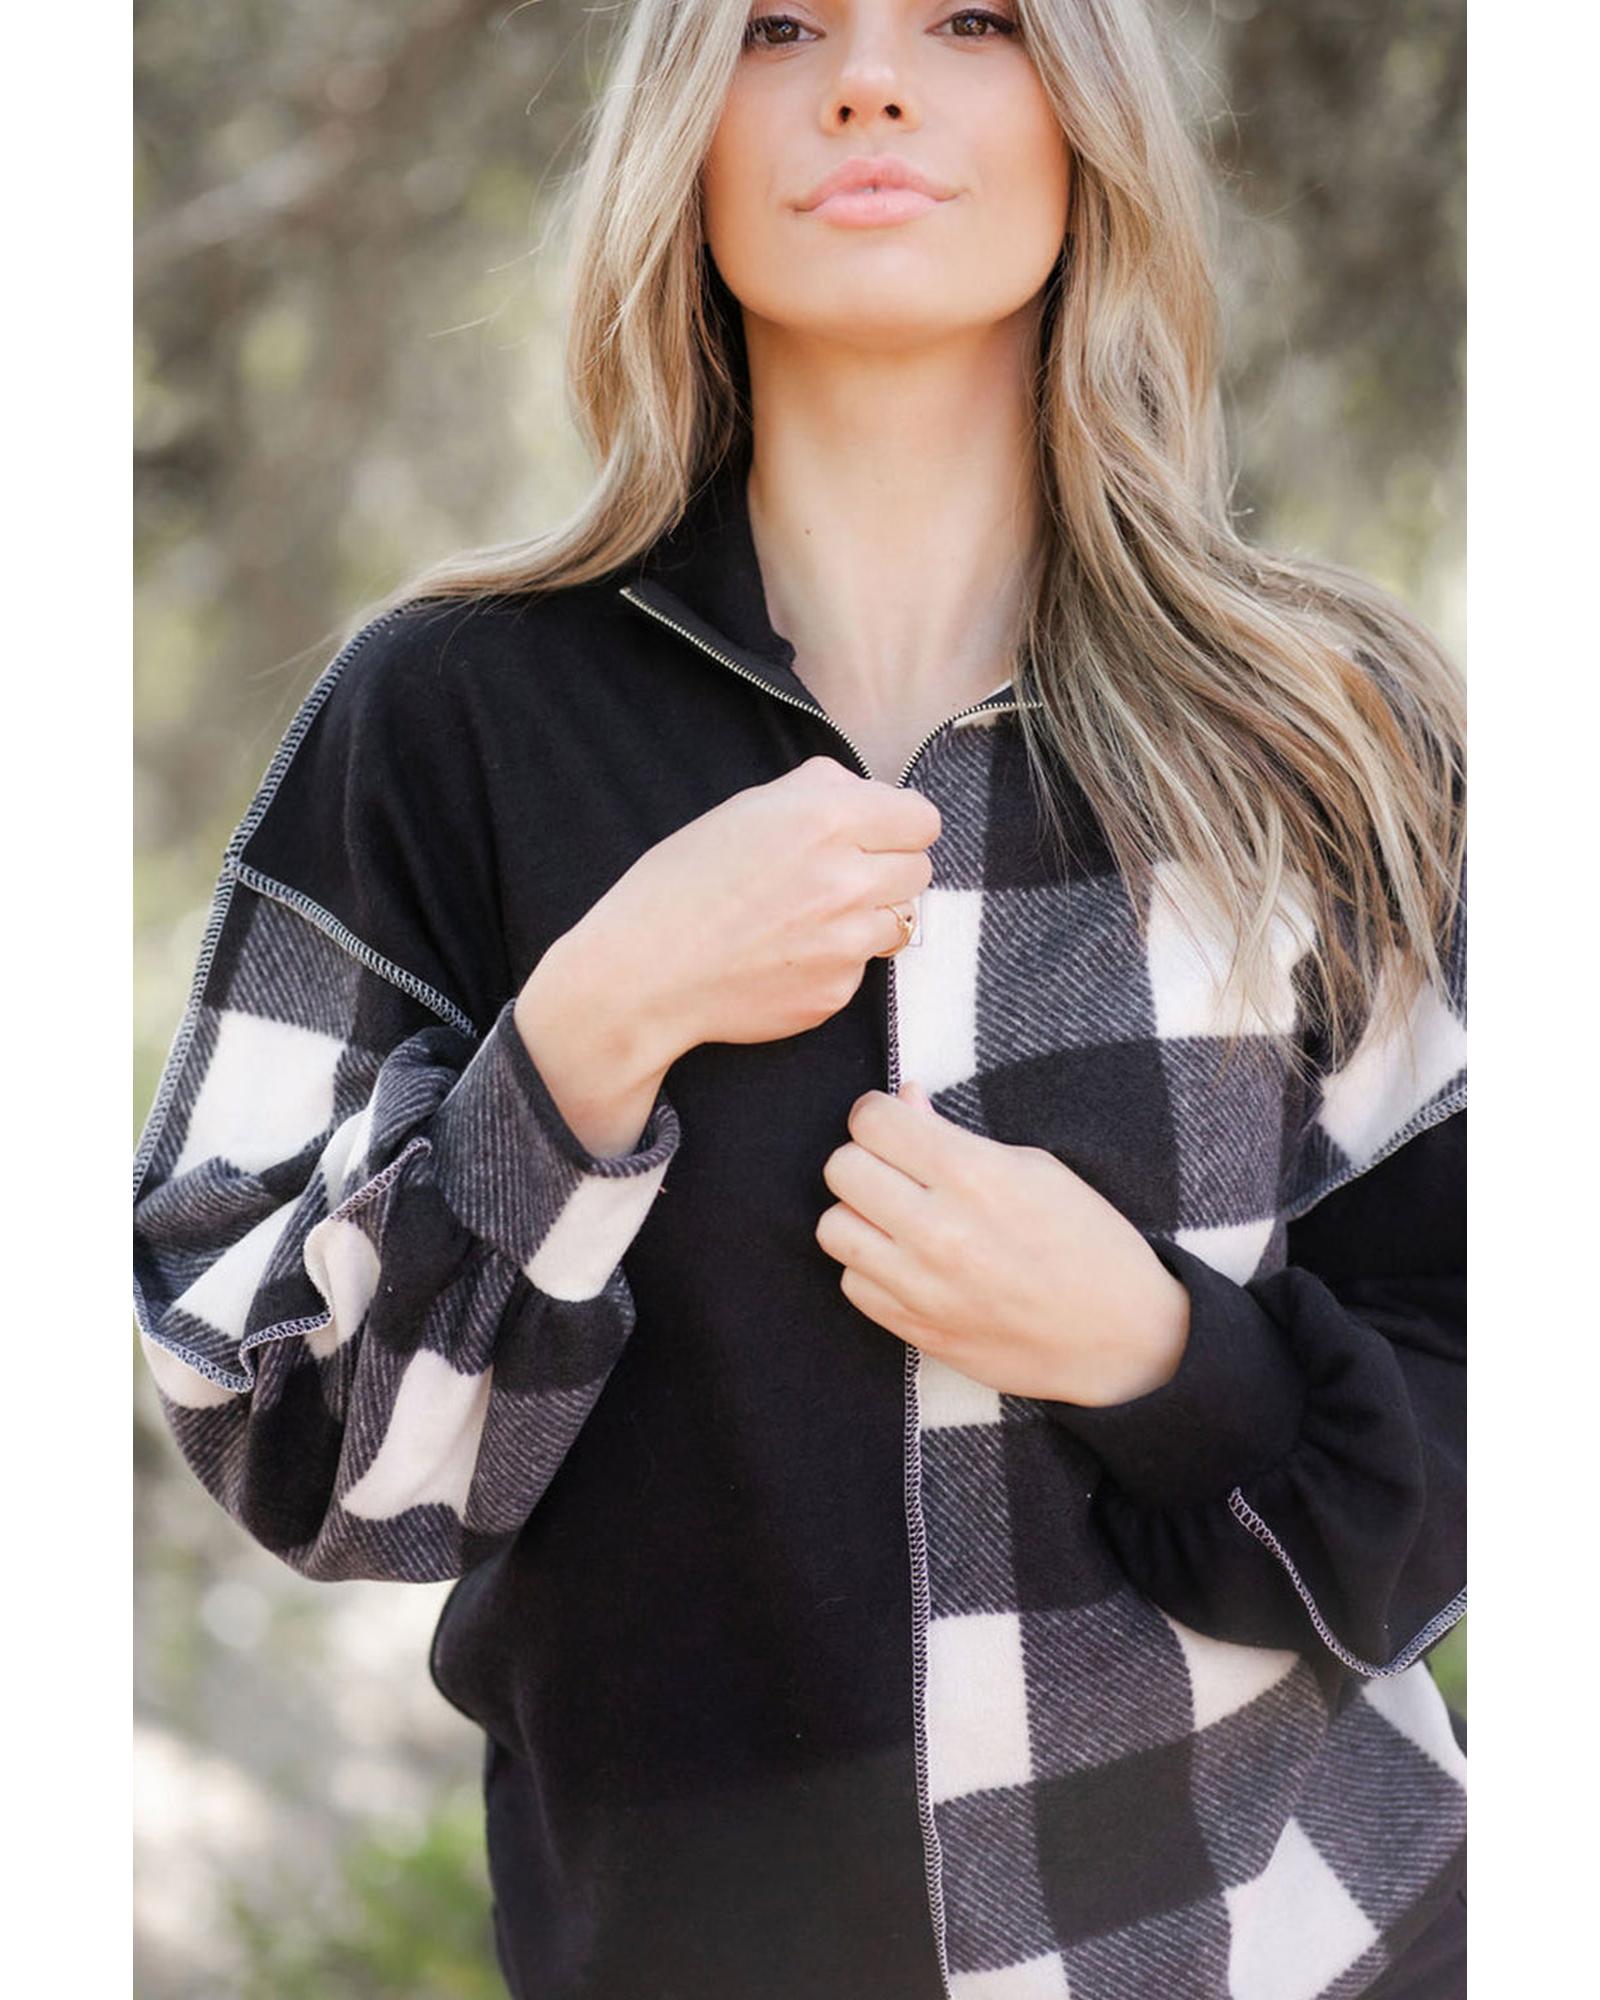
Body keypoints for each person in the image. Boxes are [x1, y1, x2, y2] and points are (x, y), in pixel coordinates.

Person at [131, 3, 1467, 1996]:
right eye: (777, 25)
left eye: (969, 19)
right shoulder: (444, 721)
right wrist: (582, 1040)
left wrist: (1153, 1353)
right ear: (681, 128)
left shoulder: (1326, 730)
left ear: (1086, 114)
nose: (867, 80)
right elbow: (297, 1448)